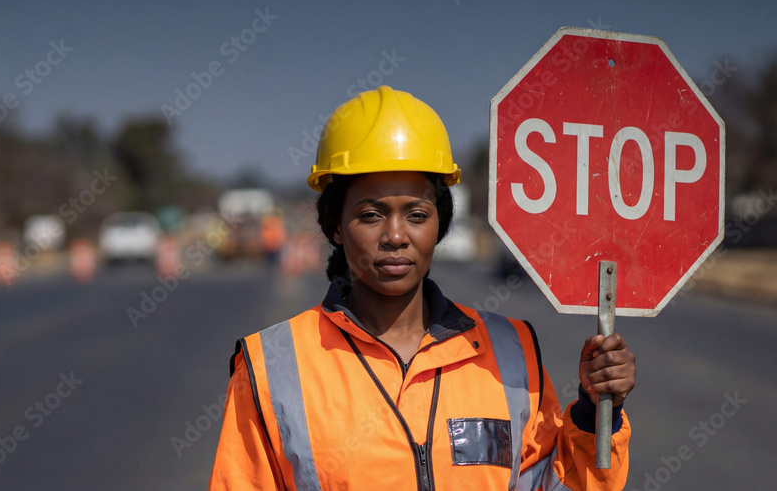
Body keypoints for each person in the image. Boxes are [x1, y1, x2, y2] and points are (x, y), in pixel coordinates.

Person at [209, 86, 636, 490]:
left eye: (416, 214)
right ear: (335, 226)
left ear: (439, 224)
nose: (396, 236)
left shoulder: (511, 352)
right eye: (371, 215)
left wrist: (596, 412)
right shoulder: (271, 367)